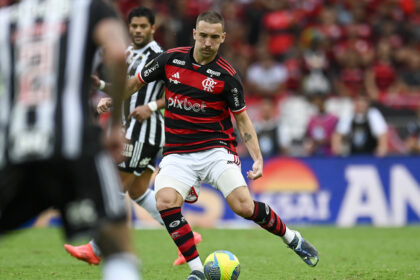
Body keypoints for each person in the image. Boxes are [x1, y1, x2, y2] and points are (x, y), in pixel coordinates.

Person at [127, 11, 319, 280]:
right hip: (177, 153)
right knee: (165, 202)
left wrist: (259, 159)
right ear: (194, 33)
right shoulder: (170, 60)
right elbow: (135, 83)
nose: (207, 42)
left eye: (214, 37)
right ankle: (196, 271)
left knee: (243, 207)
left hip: (216, 151)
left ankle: (292, 238)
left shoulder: (227, 76)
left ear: (223, 38)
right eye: (203, 35)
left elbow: (242, 121)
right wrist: (111, 101)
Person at [0, 1, 140, 280]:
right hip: (76, 145)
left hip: (16, 148)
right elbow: (116, 53)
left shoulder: (5, 19)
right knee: (116, 245)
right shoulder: (91, 9)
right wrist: (114, 127)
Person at [64, 6, 202, 266]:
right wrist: (104, 89)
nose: (137, 30)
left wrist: (151, 106)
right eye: (134, 26)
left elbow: (179, 92)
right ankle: (188, 237)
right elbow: (127, 89)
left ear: (152, 28)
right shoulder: (126, 52)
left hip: (143, 131)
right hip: (130, 128)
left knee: (114, 185)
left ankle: (96, 248)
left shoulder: (161, 55)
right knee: (138, 192)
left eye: (142, 26)